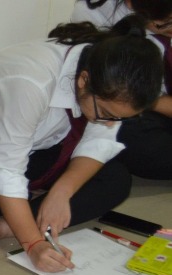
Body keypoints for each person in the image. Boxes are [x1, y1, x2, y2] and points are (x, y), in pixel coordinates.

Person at [0, 17, 162, 272]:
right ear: (83, 80)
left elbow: (99, 141)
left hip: (34, 148)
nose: (109, 123)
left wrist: (61, 192)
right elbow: (8, 170)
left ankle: (2, 225)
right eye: (106, 114)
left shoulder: (106, 77)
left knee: (116, 179)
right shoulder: (32, 80)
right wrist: (33, 244)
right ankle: (17, 212)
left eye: (119, 118)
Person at [70, 1, 172, 179]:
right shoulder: (95, 13)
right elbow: (112, 97)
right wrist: (147, 100)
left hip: (154, 105)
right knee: (128, 131)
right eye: (166, 22)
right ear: (131, 4)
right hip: (134, 107)